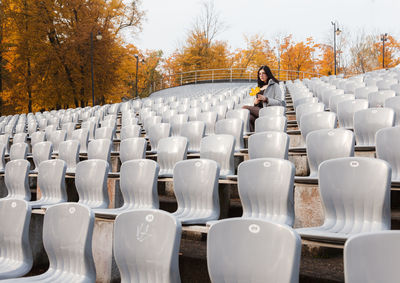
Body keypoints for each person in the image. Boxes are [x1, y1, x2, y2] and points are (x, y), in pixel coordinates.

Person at [242, 65, 285, 132]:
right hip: (259, 111)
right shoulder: (259, 87)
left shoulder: (275, 85)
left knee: (244, 107)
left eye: (263, 73)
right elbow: (256, 104)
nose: (261, 75)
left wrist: (266, 99)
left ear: (268, 74)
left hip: (268, 111)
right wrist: (255, 103)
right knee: (248, 118)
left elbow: (279, 102)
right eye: (259, 74)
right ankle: (255, 137)